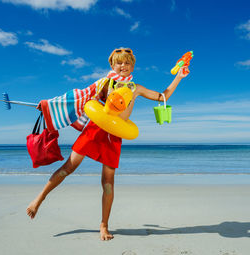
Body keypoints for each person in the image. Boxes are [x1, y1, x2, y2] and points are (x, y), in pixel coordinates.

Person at [26, 48, 189, 241]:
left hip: (114, 136)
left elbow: (163, 96)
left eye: (127, 63)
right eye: (119, 62)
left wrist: (179, 76)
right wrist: (47, 105)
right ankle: (39, 199)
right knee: (67, 168)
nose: (123, 66)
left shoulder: (135, 88)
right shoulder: (105, 82)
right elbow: (76, 97)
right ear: (112, 65)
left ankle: (103, 225)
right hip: (94, 130)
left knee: (108, 184)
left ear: (132, 66)